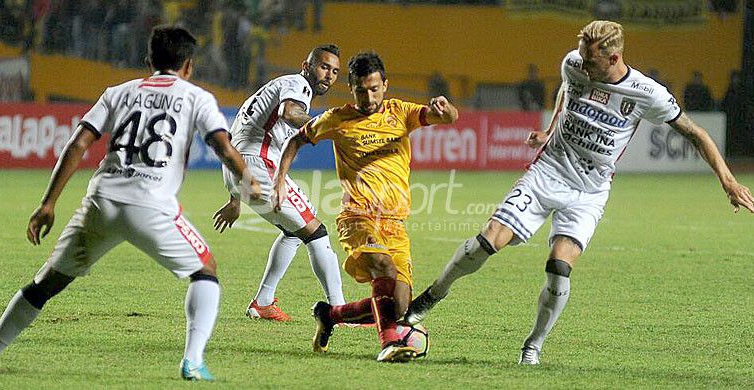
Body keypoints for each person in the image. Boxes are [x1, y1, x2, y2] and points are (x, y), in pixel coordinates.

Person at [404, 20, 754, 365]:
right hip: (547, 172)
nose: (582, 64)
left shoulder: (648, 94)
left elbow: (695, 133)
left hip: (589, 192)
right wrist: (549, 129)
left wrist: (728, 181)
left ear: (614, 58)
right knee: (489, 240)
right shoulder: (574, 64)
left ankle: (533, 346)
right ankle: (432, 296)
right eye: (582, 57)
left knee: (559, 267)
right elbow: (566, 90)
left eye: (591, 60)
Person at [0, 26, 260, 381]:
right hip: (152, 205)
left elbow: (77, 144)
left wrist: (48, 204)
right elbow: (222, 144)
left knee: (45, 284)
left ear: (149, 60)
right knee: (205, 270)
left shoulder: (119, 92)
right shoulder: (196, 97)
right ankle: (193, 361)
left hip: (102, 201)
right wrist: (248, 180)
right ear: (189, 65)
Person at [271, 51, 458, 362]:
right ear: (351, 87)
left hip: (395, 223)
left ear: (385, 85)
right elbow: (296, 141)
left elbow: (448, 118)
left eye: (374, 89)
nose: (368, 97)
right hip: (358, 218)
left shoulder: (402, 113)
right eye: (361, 90)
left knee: (397, 307)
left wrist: (446, 108)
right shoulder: (337, 119)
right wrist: (279, 180)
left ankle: (329, 315)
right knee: (382, 267)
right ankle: (389, 343)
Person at [214, 44, 345, 321]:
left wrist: (234, 198)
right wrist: (327, 126)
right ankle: (340, 310)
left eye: (334, 71)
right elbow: (290, 113)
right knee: (316, 232)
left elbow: (237, 134)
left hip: (242, 169)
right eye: (323, 67)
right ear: (306, 65)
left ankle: (263, 301)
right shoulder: (297, 84)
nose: (329, 75)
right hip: (258, 166)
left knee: (294, 232)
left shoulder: (273, 87)